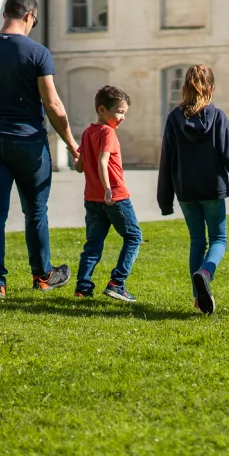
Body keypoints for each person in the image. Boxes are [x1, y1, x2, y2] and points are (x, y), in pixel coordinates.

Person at [0, 0, 79, 300]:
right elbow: (53, 105)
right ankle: (43, 275)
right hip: (29, 143)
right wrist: (73, 145)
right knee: (35, 211)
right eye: (33, 21)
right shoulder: (37, 52)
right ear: (28, 16)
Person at [156, 64, 229, 314]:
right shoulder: (218, 117)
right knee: (219, 239)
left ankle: (197, 297)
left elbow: (167, 161)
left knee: (196, 240)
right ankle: (205, 272)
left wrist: (165, 200)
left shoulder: (173, 119)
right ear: (211, 89)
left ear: (184, 89)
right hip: (213, 189)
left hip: (186, 191)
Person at [74, 85, 143, 302]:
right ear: (102, 110)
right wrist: (108, 189)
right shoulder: (108, 133)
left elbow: (80, 167)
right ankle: (117, 283)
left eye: (124, 113)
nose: (123, 117)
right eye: (120, 112)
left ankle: (83, 287)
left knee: (93, 244)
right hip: (115, 197)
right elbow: (103, 162)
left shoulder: (87, 133)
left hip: (92, 199)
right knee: (133, 237)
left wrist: (76, 155)